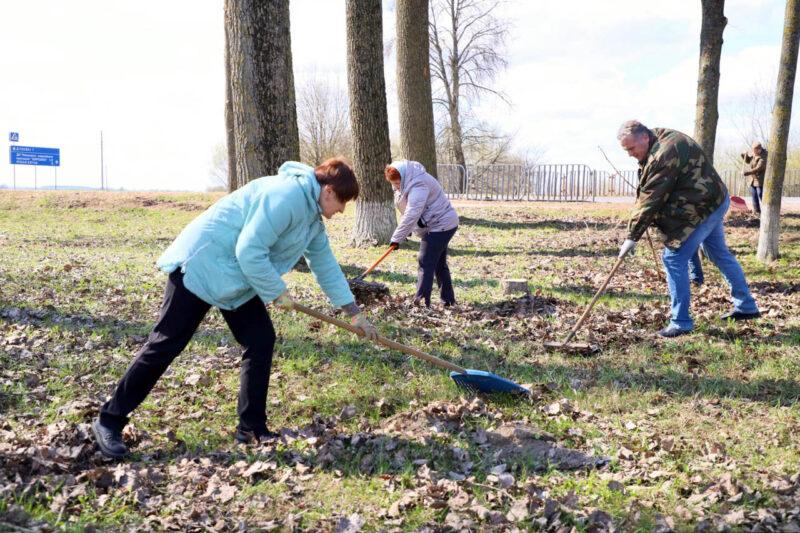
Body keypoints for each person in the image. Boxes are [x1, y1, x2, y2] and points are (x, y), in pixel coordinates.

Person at [91, 158, 378, 458]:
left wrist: (354, 314)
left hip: (234, 278)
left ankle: (251, 428)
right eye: (343, 202)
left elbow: (325, 265)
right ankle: (109, 420)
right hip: (201, 266)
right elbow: (249, 250)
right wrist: (276, 291)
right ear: (329, 191)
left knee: (260, 339)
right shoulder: (287, 195)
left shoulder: (311, 219)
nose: (342, 210)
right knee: (165, 344)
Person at [616, 120, 760, 338]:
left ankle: (681, 321)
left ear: (644, 137)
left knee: (673, 258)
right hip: (712, 200)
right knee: (718, 253)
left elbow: (651, 198)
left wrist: (632, 236)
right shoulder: (660, 138)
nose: (629, 154)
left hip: (701, 207)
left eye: (631, 148)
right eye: (626, 150)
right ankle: (746, 306)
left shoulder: (663, 154)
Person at [385, 160, 459, 307]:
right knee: (439, 263)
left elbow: (412, 212)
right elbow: (407, 211)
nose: (396, 187)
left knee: (425, 261)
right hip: (435, 224)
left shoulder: (418, 184)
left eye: (398, 183)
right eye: (393, 184)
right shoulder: (407, 183)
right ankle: (448, 301)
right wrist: (406, 231)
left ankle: (421, 301)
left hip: (441, 224)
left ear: (404, 177)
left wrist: (396, 238)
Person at [740, 141, 768, 214]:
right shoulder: (754, 154)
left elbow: (758, 168)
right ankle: (757, 211)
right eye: (753, 150)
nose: (753, 152)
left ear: (759, 149)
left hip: (760, 179)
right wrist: (743, 155)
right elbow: (748, 160)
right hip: (752, 179)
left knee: (760, 194)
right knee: (754, 195)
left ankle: (766, 211)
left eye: (754, 151)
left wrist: (746, 172)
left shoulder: (764, 156)